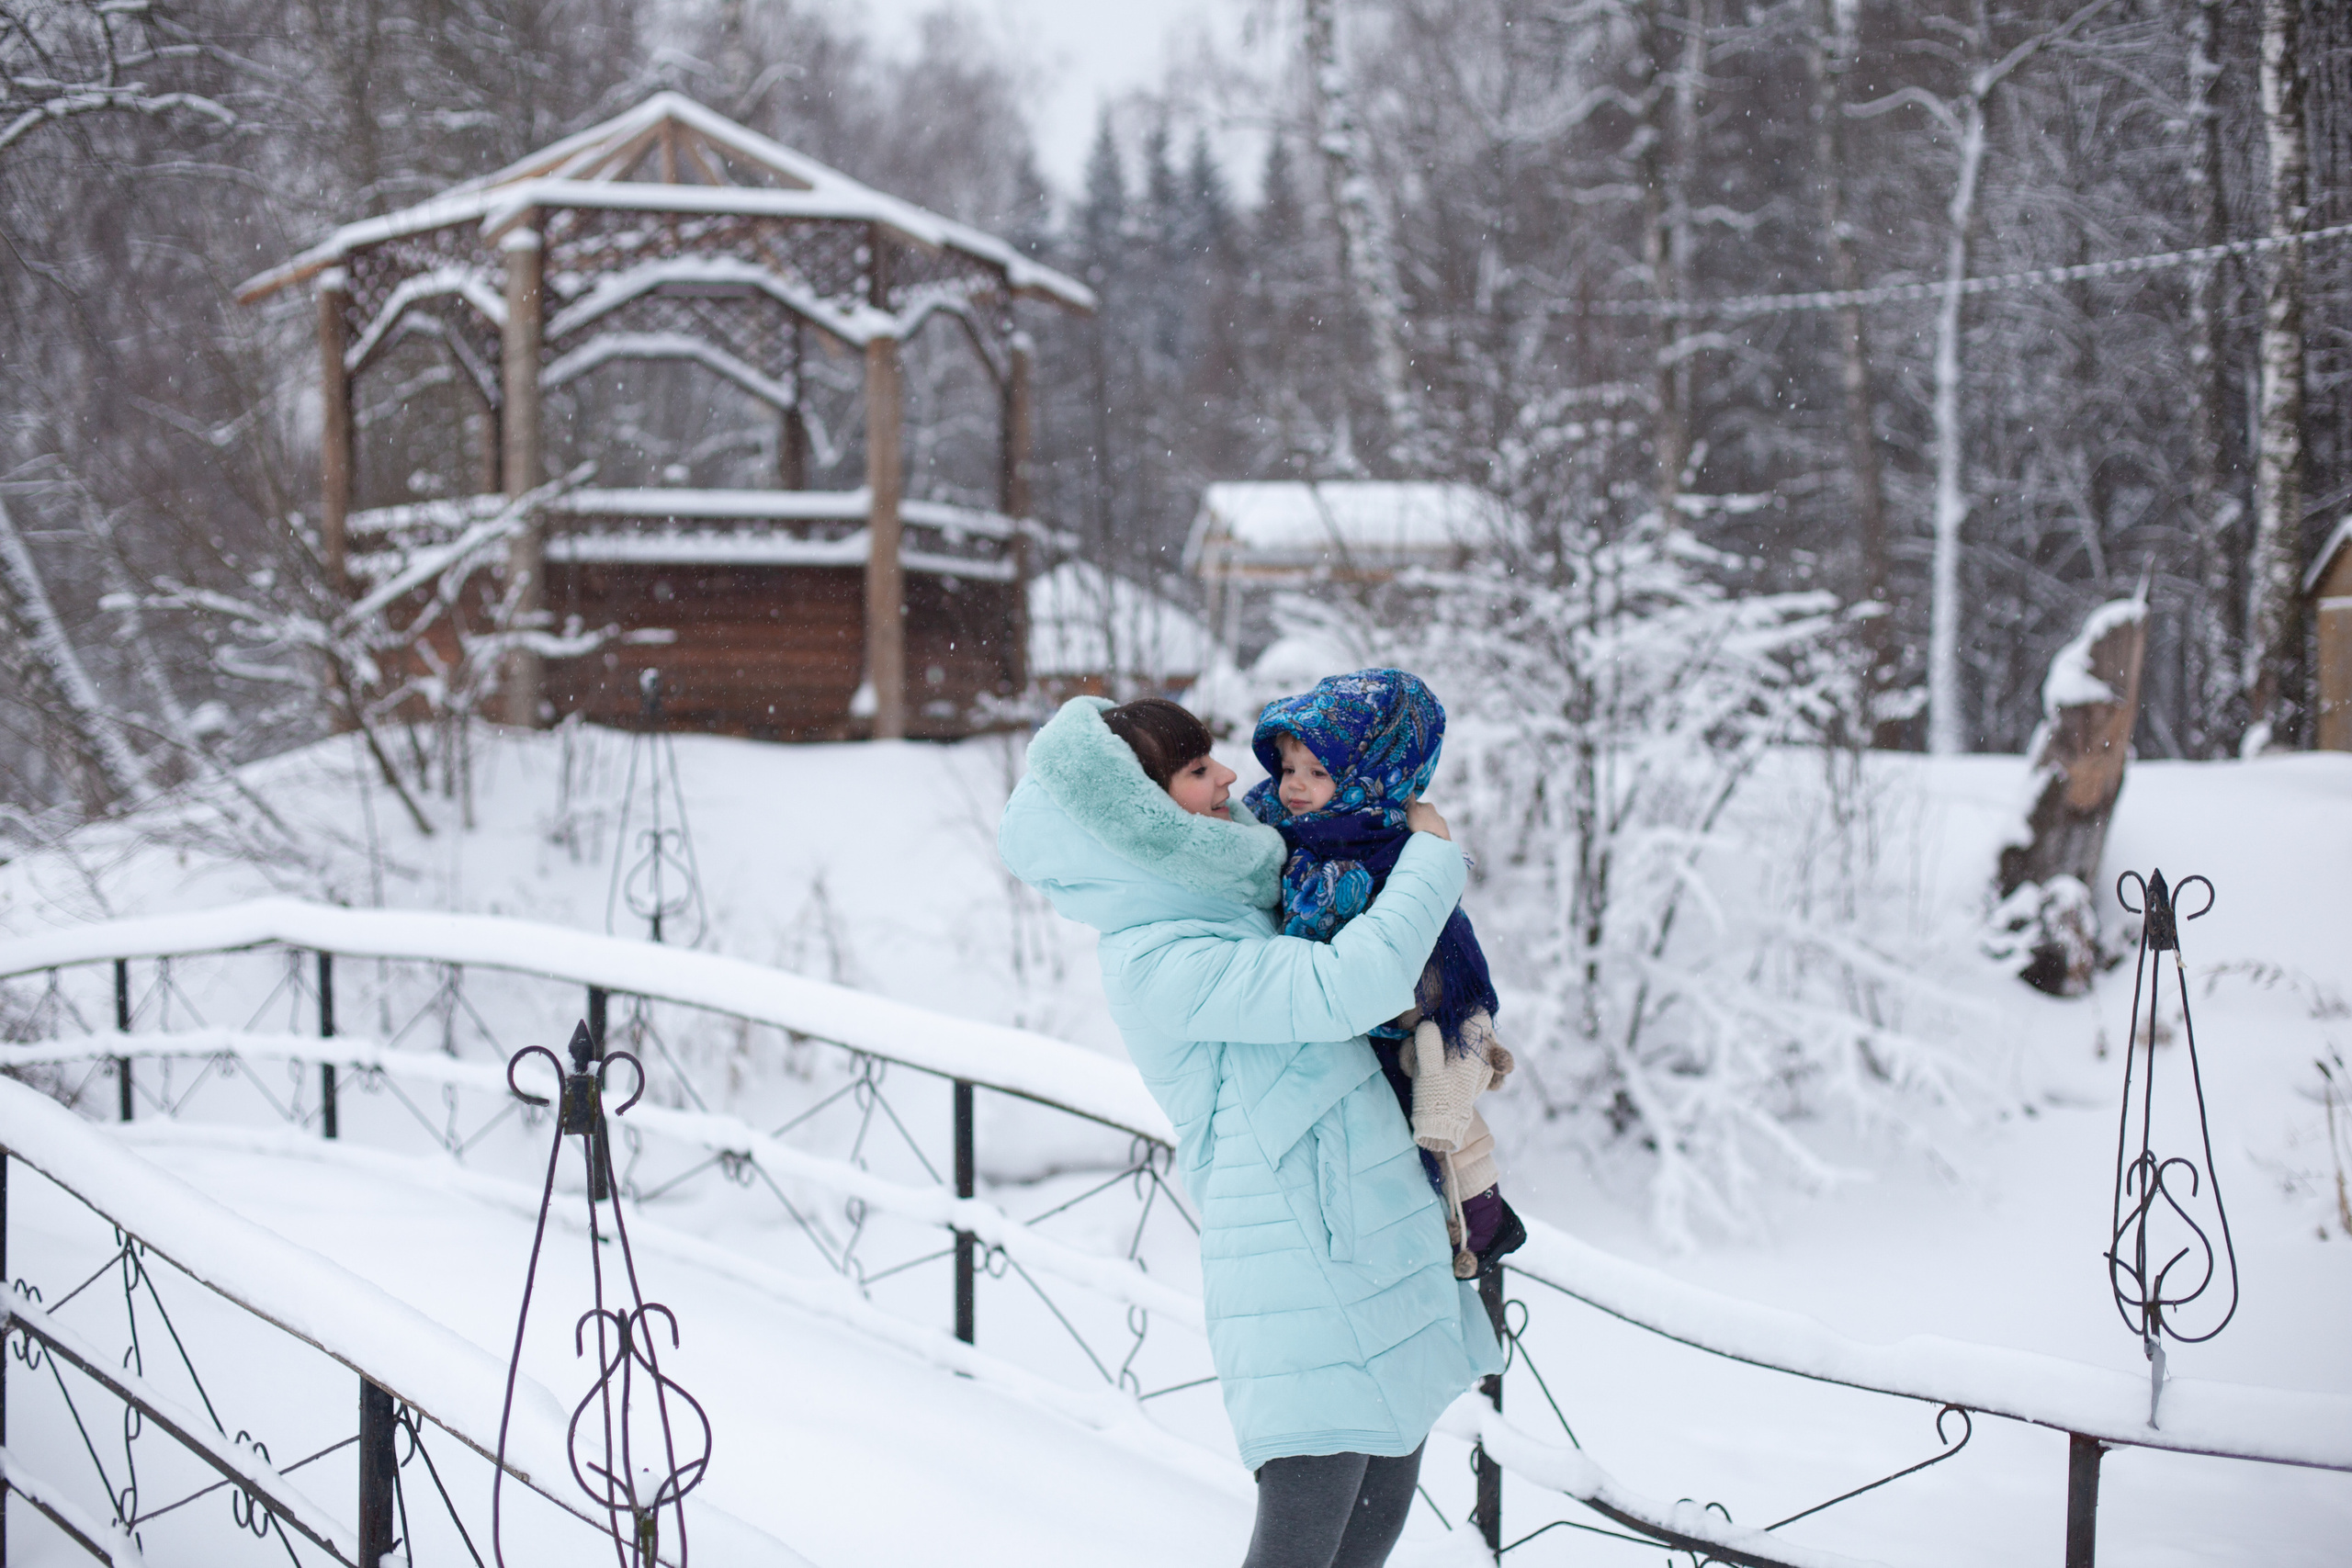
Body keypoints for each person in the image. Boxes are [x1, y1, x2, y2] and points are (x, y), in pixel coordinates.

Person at [998, 694, 1501, 1568]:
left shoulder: (1242, 890)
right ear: (1145, 816)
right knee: (1303, 1549)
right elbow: (1353, 981)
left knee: (1368, 1538)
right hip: (1298, 1274)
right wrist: (1431, 857)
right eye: (1198, 770)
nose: (1233, 776)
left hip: (1375, 1242)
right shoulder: (1159, 953)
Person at [1245, 671, 1524, 1280]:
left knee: (1427, 1108)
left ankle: (1475, 1221)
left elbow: (1412, 941)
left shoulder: (1390, 846)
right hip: (1330, 1035)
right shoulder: (1275, 828)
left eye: (1319, 772)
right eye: (1289, 766)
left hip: (1398, 1015)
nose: (1295, 784)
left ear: (1371, 774)